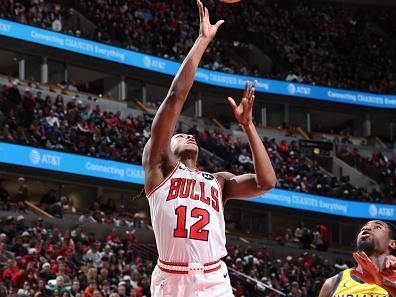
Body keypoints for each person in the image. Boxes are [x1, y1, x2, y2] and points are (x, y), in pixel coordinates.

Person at [142, 1, 276, 296]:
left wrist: (248, 127)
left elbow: (266, 182)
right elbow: (176, 97)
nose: (187, 135)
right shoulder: (159, 168)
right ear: (166, 146)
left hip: (214, 277)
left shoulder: (219, 181)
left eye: (190, 134)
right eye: (179, 135)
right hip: (171, 277)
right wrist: (203, 40)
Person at [319, 220, 396, 297]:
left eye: (378, 227)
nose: (367, 228)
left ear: (392, 244)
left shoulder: (393, 281)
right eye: (363, 228)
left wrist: (384, 283)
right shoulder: (332, 283)